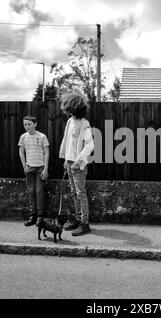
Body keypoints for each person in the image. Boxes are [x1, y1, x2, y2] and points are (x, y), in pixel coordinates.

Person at [59, 93, 95, 236]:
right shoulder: (69, 122)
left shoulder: (84, 124)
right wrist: (66, 159)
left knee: (81, 193)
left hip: (78, 165)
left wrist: (78, 161)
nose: (67, 110)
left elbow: (90, 145)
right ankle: (78, 219)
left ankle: (85, 224)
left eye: (69, 107)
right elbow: (67, 142)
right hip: (69, 162)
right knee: (74, 193)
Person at [18, 115, 50, 227]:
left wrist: (45, 169)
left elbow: (47, 153)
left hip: (40, 167)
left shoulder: (42, 136)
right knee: (31, 191)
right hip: (29, 168)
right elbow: (21, 152)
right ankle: (33, 215)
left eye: (29, 124)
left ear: (35, 124)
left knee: (39, 191)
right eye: (25, 124)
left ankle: (40, 216)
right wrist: (24, 166)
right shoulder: (23, 137)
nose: (27, 126)